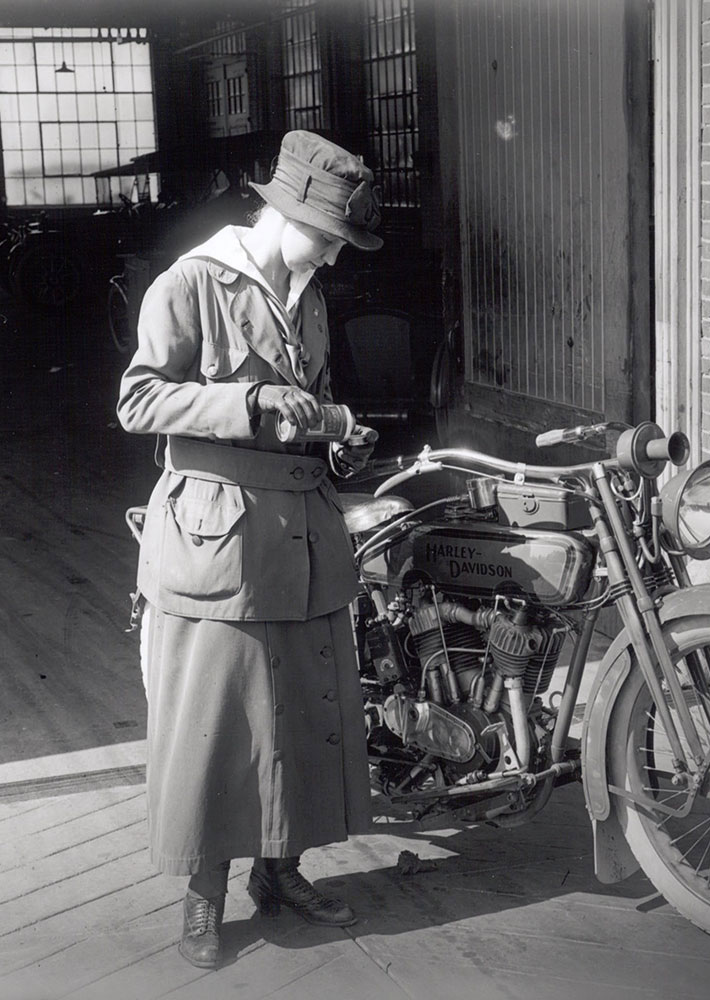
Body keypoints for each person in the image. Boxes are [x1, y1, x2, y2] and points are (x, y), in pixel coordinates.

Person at [117, 130, 382, 969]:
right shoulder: (191, 282)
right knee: (220, 724)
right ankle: (205, 896)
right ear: (283, 212)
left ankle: (281, 870)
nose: (334, 255)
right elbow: (139, 400)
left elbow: (314, 405)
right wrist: (249, 403)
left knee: (302, 713)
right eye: (328, 236)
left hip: (301, 535)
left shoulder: (310, 298)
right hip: (219, 543)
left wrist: (340, 441)